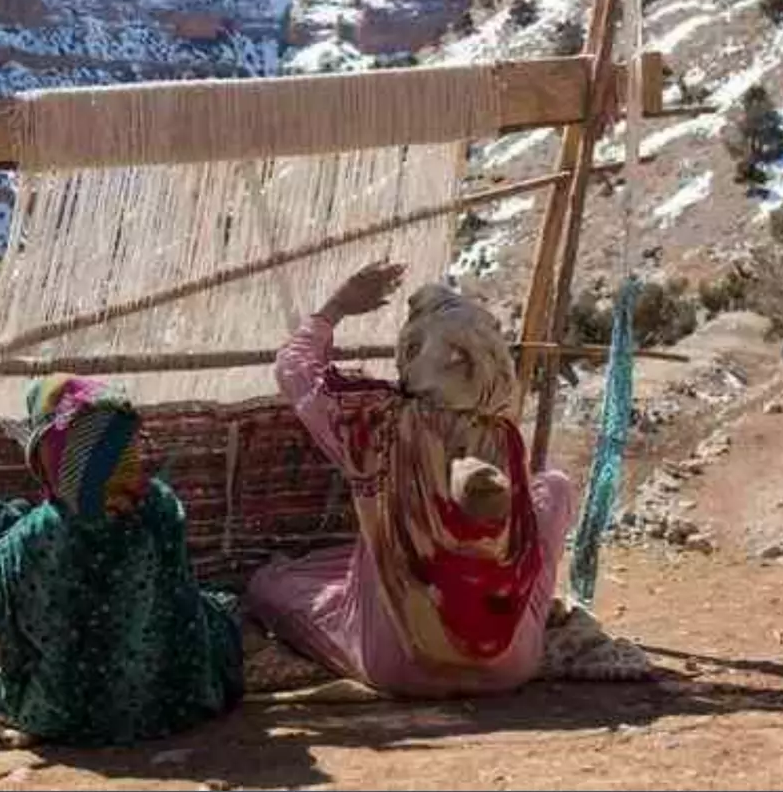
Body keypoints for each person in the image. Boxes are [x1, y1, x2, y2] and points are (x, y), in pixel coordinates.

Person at [245, 260, 577, 697]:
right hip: (510, 664)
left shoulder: (376, 423)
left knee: (271, 584)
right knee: (554, 488)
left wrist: (337, 307)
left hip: (399, 664)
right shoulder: (503, 438)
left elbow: (294, 367)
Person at [0, 375, 243, 745]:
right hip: (176, 699)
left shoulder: (46, 532)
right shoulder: (161, 504)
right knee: (216, 610)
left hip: (74, 712)